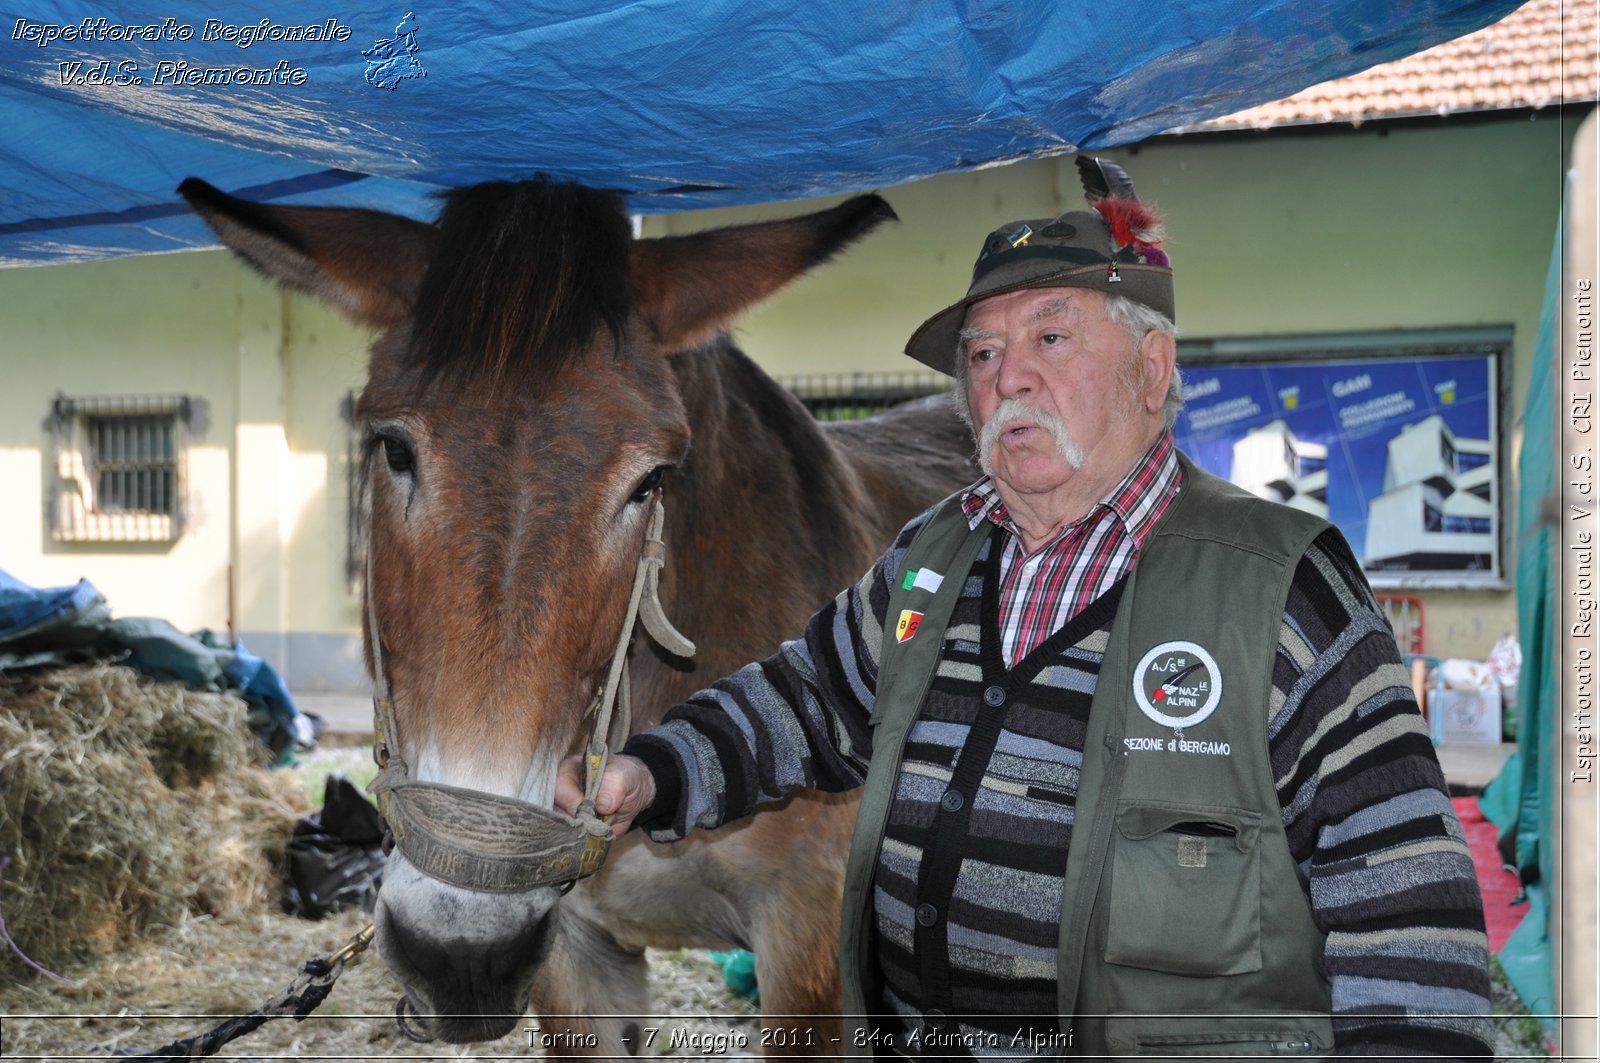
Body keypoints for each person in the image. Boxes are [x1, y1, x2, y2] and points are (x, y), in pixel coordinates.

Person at [557, 158, 1494, 1059]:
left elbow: (1405, 896)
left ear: (1152, 366)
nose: (1008, 377)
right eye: (983, 351)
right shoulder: (936, 555)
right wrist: (661, 768)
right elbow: (809, 698)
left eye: (1052, 338)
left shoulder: (1281, 588)